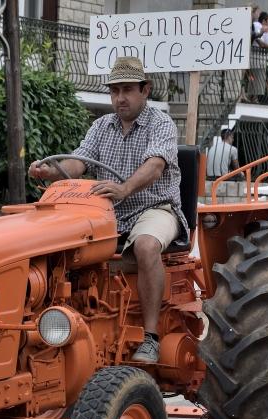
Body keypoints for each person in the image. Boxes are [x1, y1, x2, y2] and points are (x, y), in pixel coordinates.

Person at [28, 56, 187, 364]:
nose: (119, 98)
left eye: (127, 90)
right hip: (111, 215)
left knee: (146, 244)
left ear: (145, 90)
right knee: (62, 247)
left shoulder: (161, 124)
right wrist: (52, 171)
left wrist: (125, 188)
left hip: (155, 207)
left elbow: (155, 167)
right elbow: (79, 162)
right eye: (114, 91)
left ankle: (150, 337)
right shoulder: (101, 126)